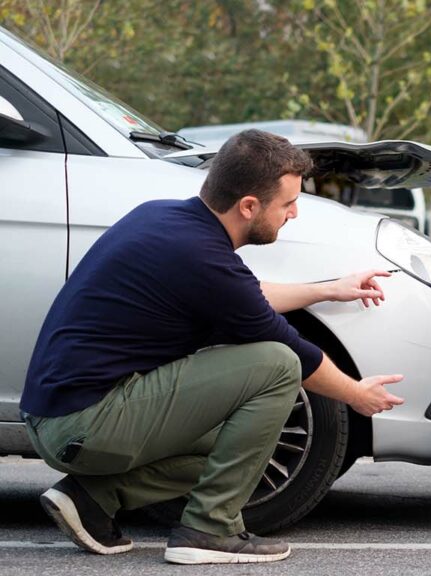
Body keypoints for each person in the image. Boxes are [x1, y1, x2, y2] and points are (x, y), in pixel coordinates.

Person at [19, 129, 405, 565]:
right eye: (287, 204)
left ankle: (91, 498)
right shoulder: (202, 258)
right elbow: (294, 350)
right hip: (84, 424)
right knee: (277, 363)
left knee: (243, 441)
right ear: (248, 206)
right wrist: (357, 395)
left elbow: (245, 293)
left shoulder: (163, 218)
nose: (294, 213)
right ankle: (208, 530)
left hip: (61, 418)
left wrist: (329, 289)